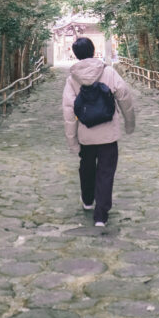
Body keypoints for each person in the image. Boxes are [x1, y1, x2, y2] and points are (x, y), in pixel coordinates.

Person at [62, 37, 135, 227]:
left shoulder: (72, 79)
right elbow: (124, 96)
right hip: (108, 133)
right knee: (105, 173)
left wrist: (73, 142)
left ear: (76, 55)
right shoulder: (109, 72)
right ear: (93, 51)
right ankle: (101, 215)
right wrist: (129, 123)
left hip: (86, 135)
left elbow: (69, 113)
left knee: (86, 168)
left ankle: (87, 200)